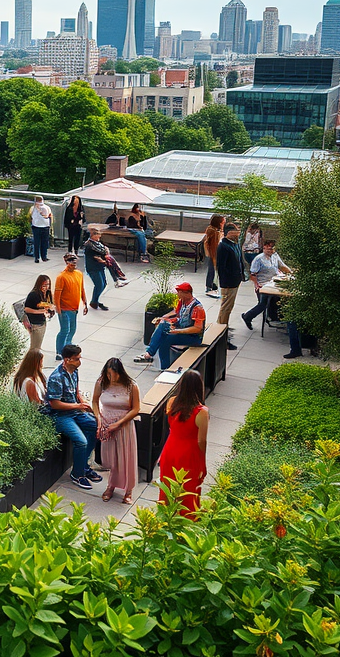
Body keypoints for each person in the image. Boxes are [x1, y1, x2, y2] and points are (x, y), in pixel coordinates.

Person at [44, 344, 102, 490]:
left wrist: (82, 402)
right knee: (81, 441)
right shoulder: (56, 378)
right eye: (76, 359)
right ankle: (77, 474)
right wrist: (78, 406)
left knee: (95, 426)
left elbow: (76, 391)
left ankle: (83, 466)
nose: (79, 361)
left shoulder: (74, 371)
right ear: (67, 360)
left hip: (75, 411)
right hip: (60, 416)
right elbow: (55, 404)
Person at [157, 369, 208, 519]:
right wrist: (202, 463)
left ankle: (165, 520)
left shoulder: (171, 402)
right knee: (188, 491)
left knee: (166, 489)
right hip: (189, 454)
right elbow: (201, 441)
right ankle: (187, 524)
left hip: (170, 451)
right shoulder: (201, 412)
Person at [92, 357, 140, 504]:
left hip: (124, 425)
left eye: (113, 374)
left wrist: (119, 423)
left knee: (126, 457)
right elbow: (94, 401)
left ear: (120, 373)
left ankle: (129, 490)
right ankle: (111, 486)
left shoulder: (131, 386)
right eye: (108, 374)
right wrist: (99, 419)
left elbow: (136, 409)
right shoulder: (102, 382)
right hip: (107, 424)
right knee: (111, 459)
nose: (110, 377)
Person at [133, 282, 205, 369]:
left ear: (186, 293)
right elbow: (177, 313)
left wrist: (178, 331)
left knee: (165, 338)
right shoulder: (182, 302)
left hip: (192, 337)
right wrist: (164, 318)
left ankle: (152, 356)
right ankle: (160, 364)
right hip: (181, 330)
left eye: (179, 292)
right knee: (163, 327)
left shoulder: (197, 308)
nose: (177, 294)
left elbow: (198, 329)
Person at [241, 239, 293, 331]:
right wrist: (257, 285)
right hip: (263, 284)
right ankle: (247, 317)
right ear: (264, 248)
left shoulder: (275, 256)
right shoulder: (259, 259)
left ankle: (274, 318)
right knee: (263, 304)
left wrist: (291, 273)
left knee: (278, 299)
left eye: (272, 249)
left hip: (274, 281)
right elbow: (252, 275)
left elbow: (282, 266)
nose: (271, 251)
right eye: (268, 249)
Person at [54, 253, 88, 360]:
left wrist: (85, 303)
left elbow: (81, 289)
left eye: (75, 260)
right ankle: (59, 352)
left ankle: (67, 348)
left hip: (74, 308)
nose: (73, 263)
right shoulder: (61, 277)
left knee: (72, 329)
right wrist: (58, 310)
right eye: (71, 261)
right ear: (66, 262)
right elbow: (57, 295)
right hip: (64, 309)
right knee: (64, 330)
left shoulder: (79, 274)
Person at [215, 222, 242, 351]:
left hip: (235, 281)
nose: (238, 234)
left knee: (228, 308)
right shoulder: (223, 247)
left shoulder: (234, 244)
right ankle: (220, 335)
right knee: (225, 309)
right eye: (236, 232)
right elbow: (221, 267)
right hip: (229, 283)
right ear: (229, 233)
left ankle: (223, 329)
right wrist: (225, 283)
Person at [23, 274, 55, 354]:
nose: (46, 287)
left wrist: (50, 311)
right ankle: (31, 363)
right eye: (44, 285)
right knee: (35, 348)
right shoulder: (33, 295)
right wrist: (40, 311)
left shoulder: (47, 294)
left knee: (37, 346)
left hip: (42, 322)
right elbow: (26, 309)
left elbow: (50, 305)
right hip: (35, 324)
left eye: (48, 285)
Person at [82, 228, 111, 311]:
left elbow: (104, 251)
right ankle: (94, 301)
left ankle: (95, 300)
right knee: (99, 284)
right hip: (93, 267)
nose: (100, 236)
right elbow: (96, 256)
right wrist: (104, 261)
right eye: (98, 234)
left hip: (100, 267)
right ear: (93, 235)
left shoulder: (97, 243)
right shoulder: (89, 245)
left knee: (104, 284)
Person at [203, 214, 224, 298]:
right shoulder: (212, 231)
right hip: (213, 253)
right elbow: (213, 244)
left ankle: (213, 287)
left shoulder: (216, 231)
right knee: (212, 270)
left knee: (214, 270)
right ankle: (210, 287)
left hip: (215, 253)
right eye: (222, 222)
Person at [30, 195, 53, 264]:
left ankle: (41, 257)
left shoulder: (35, 208)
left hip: (41, 226)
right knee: (40, 242)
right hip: (41, 226)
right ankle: (40, 257)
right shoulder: (34, 208)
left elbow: (49, 215)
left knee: (41, 242)